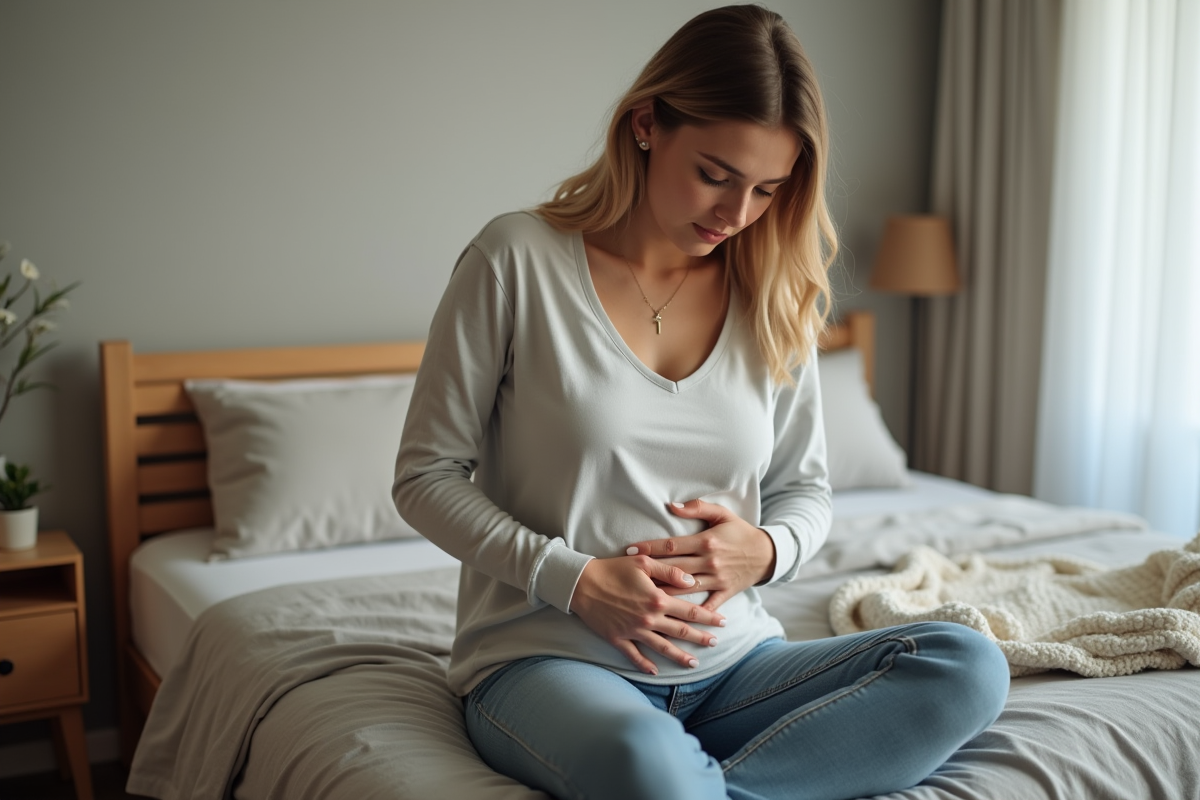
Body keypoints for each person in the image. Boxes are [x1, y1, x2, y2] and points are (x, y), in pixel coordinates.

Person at [394, 6, 1009, 799]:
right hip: (549, 661)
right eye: (716, 174)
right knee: (645, 763)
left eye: (766, 189)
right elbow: (425, 477)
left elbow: (804, 492)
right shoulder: (516, 260)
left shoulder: (773, 292)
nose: (736, 213)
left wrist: (769, 551)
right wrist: (573, 579)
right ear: (647, 124)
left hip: (736, 665)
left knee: (967, 663)